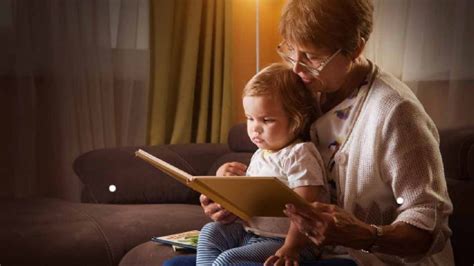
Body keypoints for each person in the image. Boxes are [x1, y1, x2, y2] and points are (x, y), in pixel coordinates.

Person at [166, 0, 454, 265]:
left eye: (313, 56)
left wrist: (366, 235)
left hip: (363, 259)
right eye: (291, 50)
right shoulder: (299, 90)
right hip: (289, 244)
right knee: (174, 264)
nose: (297, 67)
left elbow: (429, 225)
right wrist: (230, 199)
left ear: (356, 49)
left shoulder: (397, 113)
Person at [196, 63, 330, 265]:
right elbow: (253, 195)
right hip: (252, 233)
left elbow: (306, 208)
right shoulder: (261, 153)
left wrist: (291, 248)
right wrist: (224, 180)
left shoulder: (300, 154)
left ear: (295, 121)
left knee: (227, 261)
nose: (255, 129)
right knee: (209, 232)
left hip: (291, 243)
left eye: (266, 120)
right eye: (250, 118)